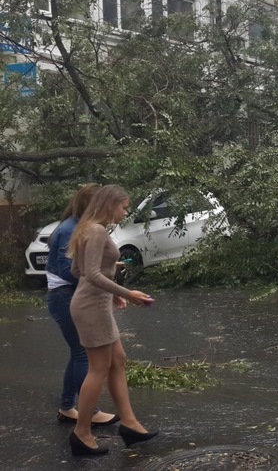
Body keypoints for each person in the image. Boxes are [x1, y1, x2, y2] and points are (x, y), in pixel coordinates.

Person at [67, 185, 157, 456]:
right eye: (124, 207)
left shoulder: (88, 229)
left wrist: (112, 285)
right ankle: (81, 433)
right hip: (92, 306)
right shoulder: (96, 230)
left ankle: (129, 423)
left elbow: (77, 269)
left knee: (118, 361)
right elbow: (91, 274)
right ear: (110, 205)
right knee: (98, 368)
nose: (125, 212)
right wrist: (127, 293)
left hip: (94, 303)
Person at [46, 185, 120, 429]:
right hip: (65, 295)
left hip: (68, 294)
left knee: (77, 353)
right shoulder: (70, 229)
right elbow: (70, 270)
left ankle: (68, 407)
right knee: (83, 356)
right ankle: (91, 413)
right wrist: (100, 272)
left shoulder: (78, 226)